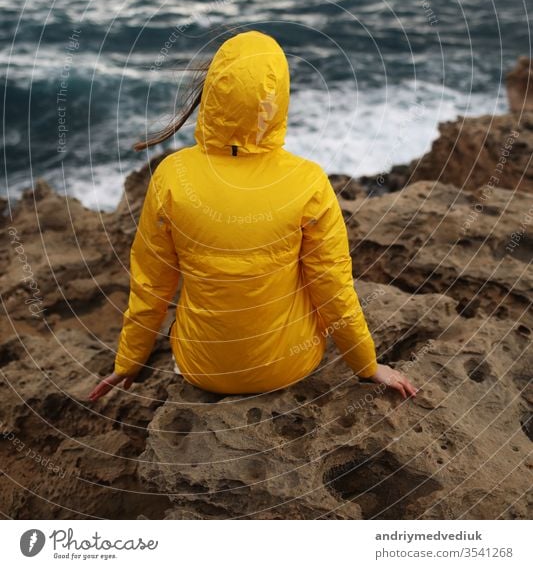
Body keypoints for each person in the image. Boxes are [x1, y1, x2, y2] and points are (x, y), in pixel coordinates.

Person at [89, 30, 417, 401]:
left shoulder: (171, 176)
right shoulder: (307, 180)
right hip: (288, 367)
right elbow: (333, 290)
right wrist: (367, 366)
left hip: (201, 369)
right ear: (278, 99)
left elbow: (151, 284)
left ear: (213, 91)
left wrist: (128, 362)